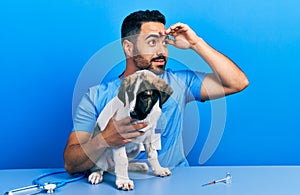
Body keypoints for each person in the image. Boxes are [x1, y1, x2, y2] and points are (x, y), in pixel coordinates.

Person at [64, 10, 249, 175]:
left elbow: (238, 82)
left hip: (175, 183)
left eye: (164, 43)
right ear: (129, 48)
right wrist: (104, 139)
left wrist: (196, 43)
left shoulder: (179, 83)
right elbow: (71, 164)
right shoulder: (97, 96)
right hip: (118, 187)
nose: (162, 51)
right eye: (152, 42)